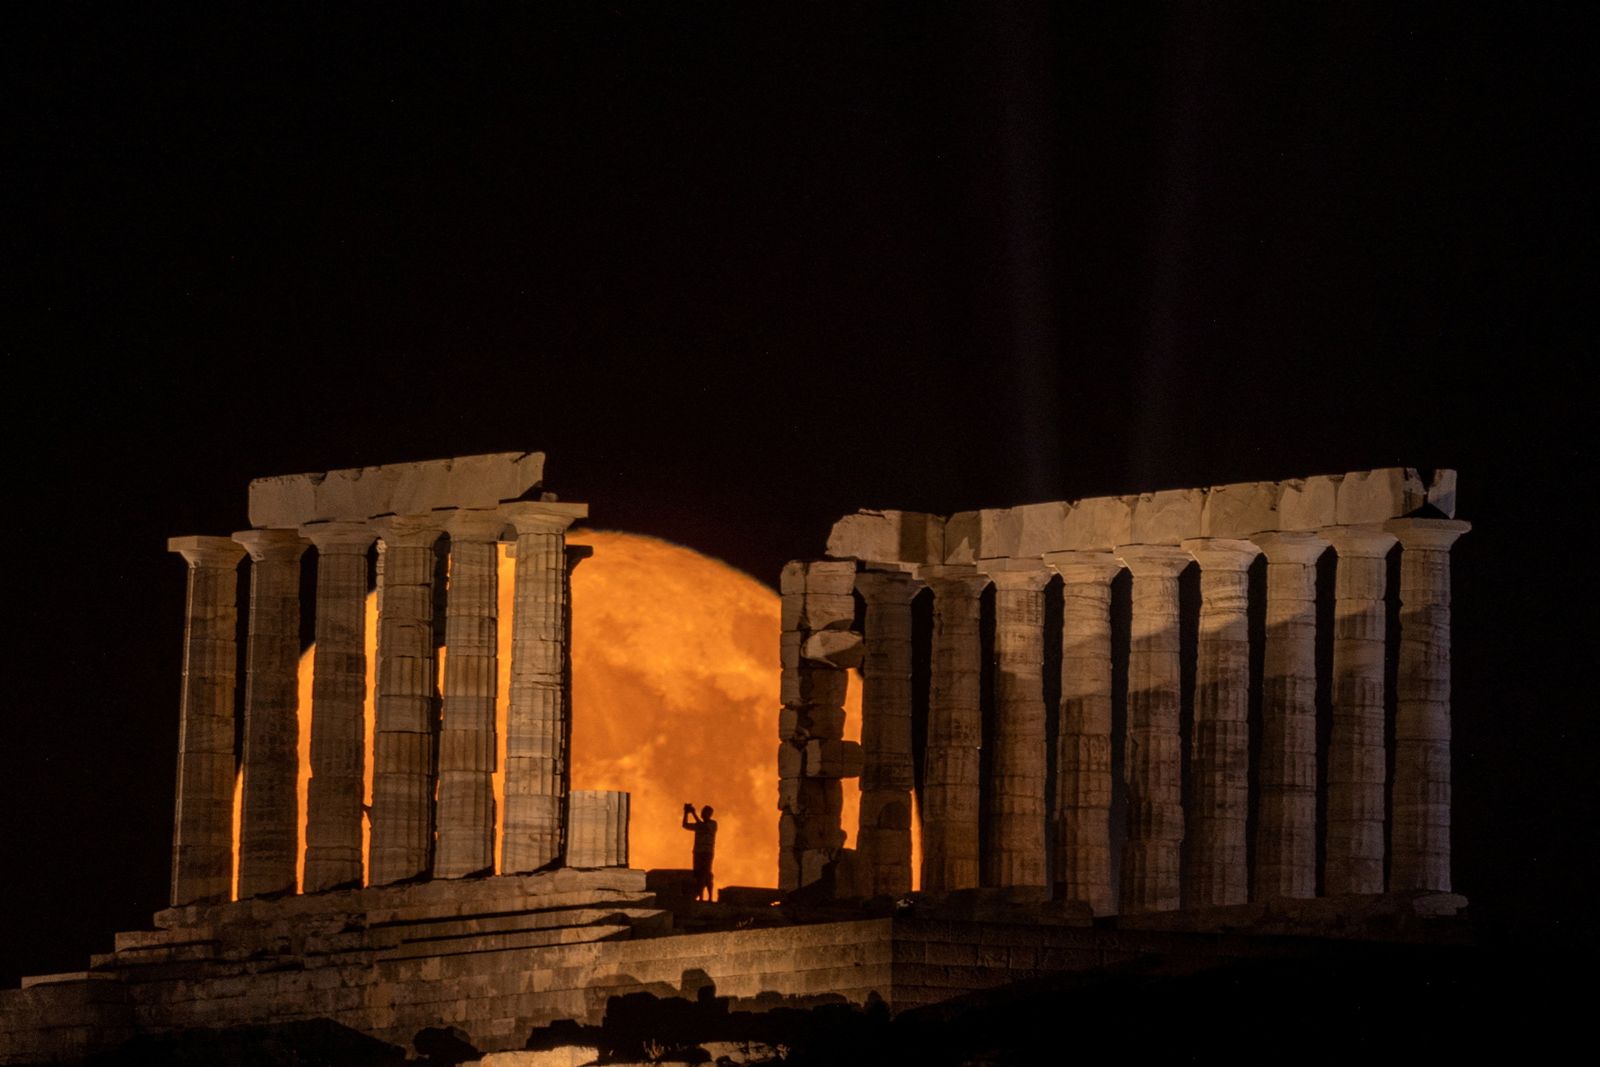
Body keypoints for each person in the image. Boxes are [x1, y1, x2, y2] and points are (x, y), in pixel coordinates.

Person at [681, 803, 718, 901]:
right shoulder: (699, 825)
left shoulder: (713, 824)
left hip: (707, 852)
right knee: (698, 874)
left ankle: (710, 897)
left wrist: (693, 814)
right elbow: (685, 825)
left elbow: (704, 827)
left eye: (705, 813)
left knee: (706, 874)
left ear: (709, 814)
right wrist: (686, 813)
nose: (703, 814)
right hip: (698, 852)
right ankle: (700, 897)